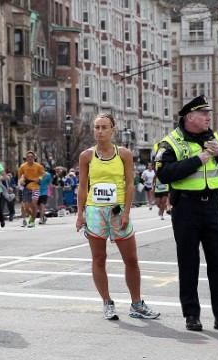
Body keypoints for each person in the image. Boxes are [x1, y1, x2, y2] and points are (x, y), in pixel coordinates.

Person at [155, 95, 218, 332]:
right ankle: (192, 315)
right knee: (188, 263)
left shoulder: (214, 137)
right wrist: (198, 159)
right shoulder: (171, 142)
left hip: (211, 206)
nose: (208, 118)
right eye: (204, 114)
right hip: (186, 208)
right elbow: (164, 173)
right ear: (190, 117)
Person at [76, 113, 160, 321]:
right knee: (99, 258)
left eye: (104, 127)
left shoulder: (124, 154)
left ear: (113, 130)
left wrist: (127, 212)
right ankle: (107, 302)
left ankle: (137, 304)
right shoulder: (86, 156)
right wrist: (80, 214)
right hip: (95, 211)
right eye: (97, 127)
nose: (100, 131)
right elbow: (82, 186)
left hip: (118, 210)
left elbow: (130, 184)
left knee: (130, 259)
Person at [18, 151, 45, 228]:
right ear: (26, 158)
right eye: (28, 157)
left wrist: (39, 178)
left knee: (34, 204)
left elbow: (43, 174)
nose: (30, 158)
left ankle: (32, 221)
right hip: (26, 188)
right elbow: (20, 176)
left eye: (31, 157)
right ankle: (32, 216)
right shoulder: (22, 166)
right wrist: (21, 181)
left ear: (34, 158)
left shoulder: (38, 166)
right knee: (26, 207)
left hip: (35, 187)